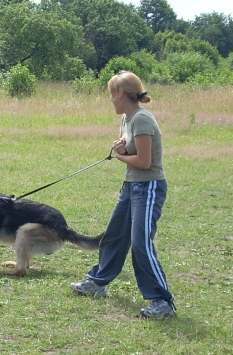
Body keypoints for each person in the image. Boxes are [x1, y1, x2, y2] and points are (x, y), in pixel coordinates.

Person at [70, 71, 176, 318]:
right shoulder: (127, 119)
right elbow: (131, 149)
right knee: (115, 235)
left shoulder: (142, 119)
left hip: (148, 187)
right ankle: (97, 283)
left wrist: (119, 156)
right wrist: (120, 147)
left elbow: (144, 161)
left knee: (140, 244)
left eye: (111, 94)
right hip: (131, 186)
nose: (110, 99)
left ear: (120, 94)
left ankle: (162, 301)